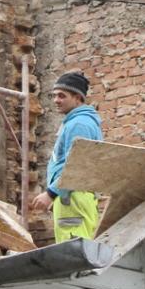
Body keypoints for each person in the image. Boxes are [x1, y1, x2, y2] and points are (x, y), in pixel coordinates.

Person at [29, 71, 103, 241]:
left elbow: (77, 164)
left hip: (72, 198)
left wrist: (51, 193)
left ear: (78, 98)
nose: (56, 100)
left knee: (74, 254)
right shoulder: (79, 122)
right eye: (54, 95)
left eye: (62, 96)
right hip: (74, 196)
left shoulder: (79, 124)